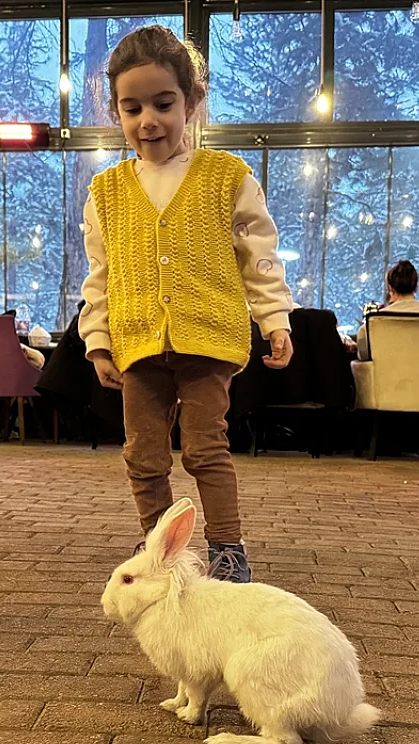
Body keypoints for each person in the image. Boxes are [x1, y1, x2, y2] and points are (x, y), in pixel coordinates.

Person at [78, 25, 294, 583]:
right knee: (142, 457)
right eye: (132, 108)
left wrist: (274, 318)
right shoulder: (105, 191)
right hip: (137, 342)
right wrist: (98, 341)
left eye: (163, 103)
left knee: (205, 449)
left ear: (192, 103)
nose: (148, 120)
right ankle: (160, 550)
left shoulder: (228, 177)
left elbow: (260, 255)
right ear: (116, 113)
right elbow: (100, 274)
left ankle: (227, 549)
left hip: (209, 338)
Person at [356, 260, 419, 360]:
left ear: (391, 289)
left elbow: (363, 356)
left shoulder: (372, 324)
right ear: (416, 287)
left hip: (386, 375)